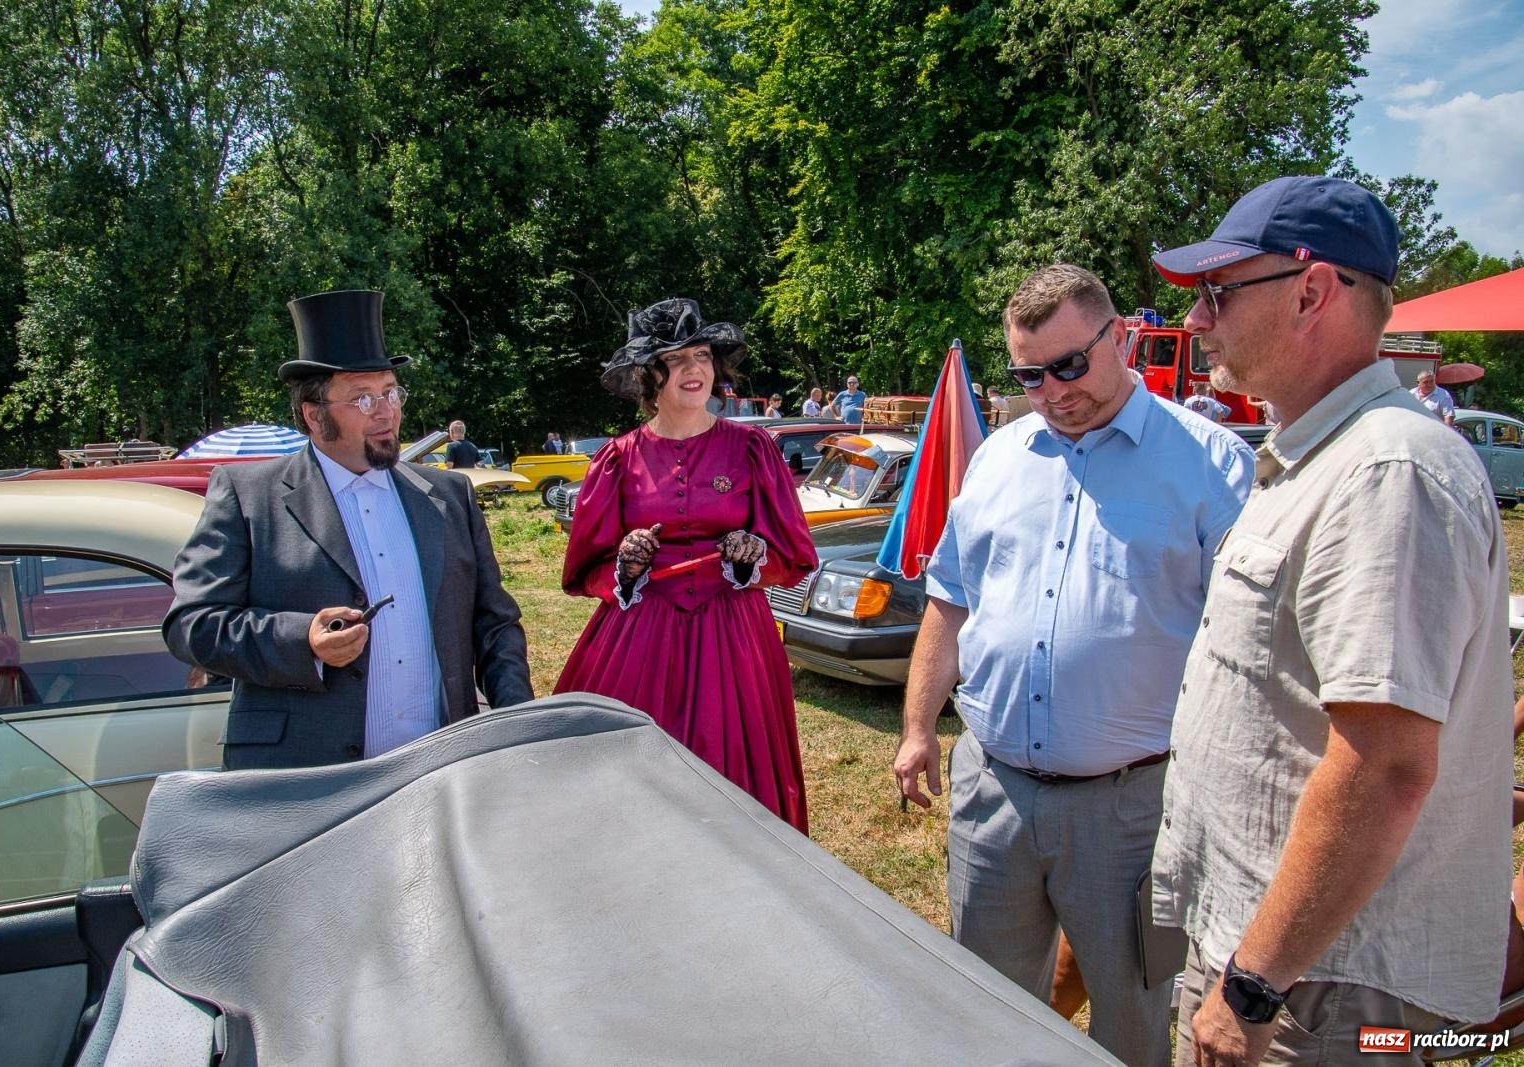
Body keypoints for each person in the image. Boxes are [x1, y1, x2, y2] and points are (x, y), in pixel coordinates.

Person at [1148, 176, 1513, 1066]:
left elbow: (1383, 764)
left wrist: (1252, 985)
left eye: (1218, 292)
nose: (1197, 321)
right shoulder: (1332, 456)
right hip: (1292, 966)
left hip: (1321, 990)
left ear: (1312, 291)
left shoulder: (1390, 473)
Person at [893, 264, 1253, 1066]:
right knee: (985, 1006)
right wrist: (918, 726)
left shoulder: (1213, 465)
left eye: (1069, 365)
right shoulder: (998, 458)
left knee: (1132, 1014)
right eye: (1029, 373)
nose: (1051, 391)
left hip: (1135, 810)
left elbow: (1245, 651)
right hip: (994, 792)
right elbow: (949, 601)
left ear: (1119, 335)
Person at [164, 289, 535, 770]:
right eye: (363, 398)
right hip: (304, 778)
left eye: (391, 392)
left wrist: (518, 723)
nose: (386, 412)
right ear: (313, 415)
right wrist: (304, 641)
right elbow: (191, 625)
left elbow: (495, 625)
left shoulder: (448, 496)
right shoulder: (249, 495)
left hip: (441, 771)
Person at [556, 298, 818, 831]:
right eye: (675, 360)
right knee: (626, 779)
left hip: (733, 632)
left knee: (734, 769)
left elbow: (791, 548)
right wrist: (626, 565)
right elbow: (588, 563)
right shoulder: (619, 457)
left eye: (701, 355)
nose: (694, 369)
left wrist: (750, 556)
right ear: (648, 375)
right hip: (640, 634)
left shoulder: (751, 447)